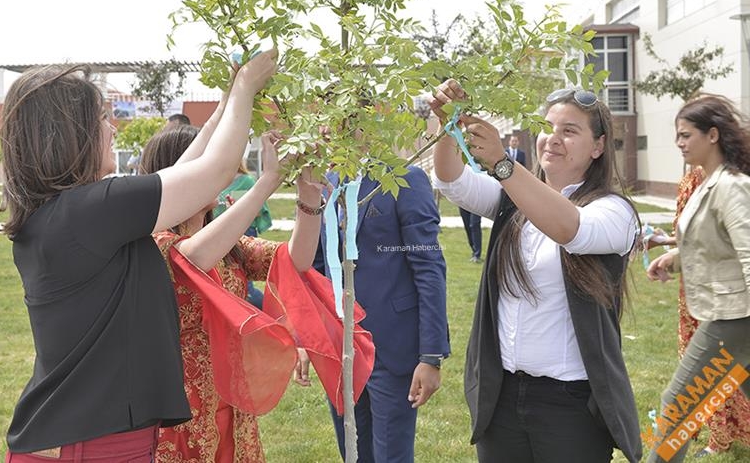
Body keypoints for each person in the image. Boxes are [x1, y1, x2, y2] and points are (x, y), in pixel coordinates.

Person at [0, 50, 277, 462]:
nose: (112, 129)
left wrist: (223, 108)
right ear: (70, 134)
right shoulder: (91, 211)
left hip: (77, 439)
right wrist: (245, 89)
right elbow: (213, 173)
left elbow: (181, 177)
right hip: (95, 447)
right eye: (101, 119)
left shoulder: (66, 216)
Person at [431, 82, 642, 463]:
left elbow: (570, 229)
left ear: (598, 146)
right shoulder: (512, 199)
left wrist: (502, 165)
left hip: (571, 405)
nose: (554, 139)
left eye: (570, 131)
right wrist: (448, 124)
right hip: (503, 396)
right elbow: (451, 179)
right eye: (548, 127)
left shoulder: (615, 212)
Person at [140, 124, 324, 462]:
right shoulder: (152, 241)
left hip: (233, 407)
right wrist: (267, 181)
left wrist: (308, 192)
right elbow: (193, 258)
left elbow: (296, 260)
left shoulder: (226, 245)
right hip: (179, 414)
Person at [311, 166, 450, 463]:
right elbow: (318, 268)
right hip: (339, 347)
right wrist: (308, 338)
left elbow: (429, 267)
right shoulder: (326, 183)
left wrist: (431, 355)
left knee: (391, 455)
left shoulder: (405, 178)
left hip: (390, 344)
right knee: (352, 451)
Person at [646, 94, 750, 463]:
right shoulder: (709, 183)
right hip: (730, 314)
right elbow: (711, 240)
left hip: (733, 317)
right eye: (677, 135)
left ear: (713, 135)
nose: (679, 143)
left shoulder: (731, 187)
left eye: (686, 134)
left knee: (677, 406)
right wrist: (674, 259)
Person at [213, 161, 274, 308]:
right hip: (216, 232)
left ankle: (264, 310)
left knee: (244, 281)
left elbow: (259, 210)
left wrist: (238, 208)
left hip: (243, 230)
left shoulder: (247, 181)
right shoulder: (212, 179)